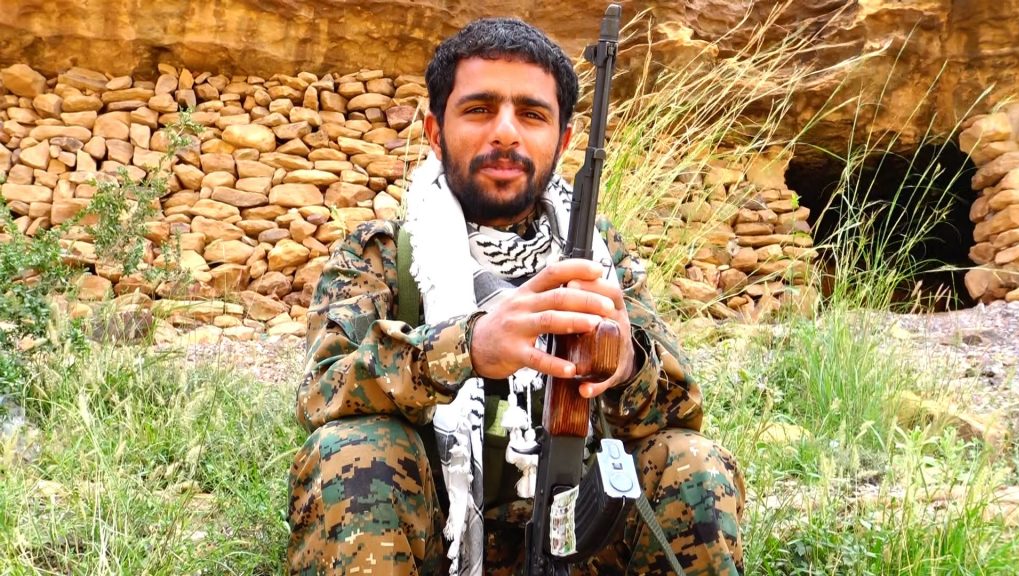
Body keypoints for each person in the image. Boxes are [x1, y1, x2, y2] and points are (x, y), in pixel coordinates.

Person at [287, 16, 745, 576]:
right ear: (435, 132)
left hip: (577, 536)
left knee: (690, 460)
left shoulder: (599, 257)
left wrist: (625, 364)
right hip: (432, 540)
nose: (505, 132)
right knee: (353, 451)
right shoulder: (385, 254)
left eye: (531, 114)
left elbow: (682, 410)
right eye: (479, 109)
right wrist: (467, 346)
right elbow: (322, 393)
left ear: (564, 141)